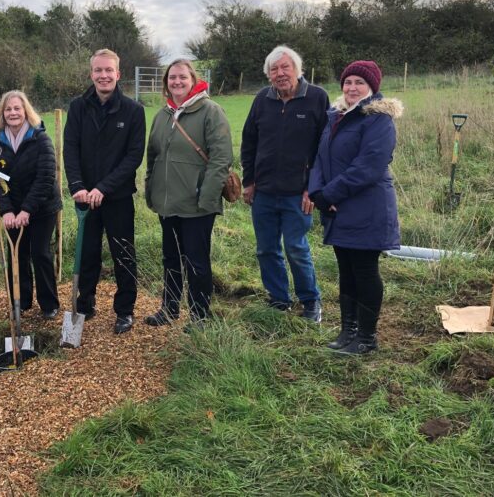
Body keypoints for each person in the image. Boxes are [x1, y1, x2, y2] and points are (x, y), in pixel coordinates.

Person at [309, 60, 402, 355]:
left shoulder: (379, 120)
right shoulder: (337, 116)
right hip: (337, 207)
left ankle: (366, 337)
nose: (352, 88)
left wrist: (331, 194)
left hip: (366, 207)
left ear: (372, 88)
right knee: (345, 270)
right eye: (348, 82)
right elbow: (321, 158)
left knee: (364, 270)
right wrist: (318, 193)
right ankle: (347, 331)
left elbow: (369, 166)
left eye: (359, 83)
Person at [241, 46, 329, 321]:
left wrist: (312, 188)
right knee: (266, 249)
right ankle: (279, 298)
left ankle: (311, 301)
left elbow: (323, 148)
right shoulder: (261, 100)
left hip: (297, 193)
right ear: (268, 75)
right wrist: (249, 181)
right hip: (264, 192)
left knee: (295, 247)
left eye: (284, 67)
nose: (280, 74)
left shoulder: (317, 98)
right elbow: (249, 141)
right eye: (274, 69)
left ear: (297, 70)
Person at [144, 59, 233, 327]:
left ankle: (199, 316)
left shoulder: (210, 111)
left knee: (196, 262)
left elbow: (221, 158)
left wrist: (206, 198)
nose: (177, 82)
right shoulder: (163, 116)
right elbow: (153, 155)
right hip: (168, 203)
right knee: (170, 259)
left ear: (193, 80)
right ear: (166, 83)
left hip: (197, 204)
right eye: (172, 78)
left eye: (182, 77)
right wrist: (151, 188)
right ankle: (169, 309)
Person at [63, 49, 146, 334]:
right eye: (98, 71)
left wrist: (104, 188)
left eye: (109, 70)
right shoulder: (77, 107)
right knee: (87, 255)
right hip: (85, 198)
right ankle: (84, 305)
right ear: (91, 74)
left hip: (117, 197)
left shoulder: (133, 111)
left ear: (118, 74)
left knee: (123, 254)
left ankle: (124, 310)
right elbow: (70, 149)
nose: (103, 75)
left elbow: (133, 156)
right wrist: (78, 186)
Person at [0, 90, 62, 319]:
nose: (12, 113)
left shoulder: (40, 139)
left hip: (42, 207)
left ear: (25, 111)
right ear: (2, 113)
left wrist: (27, 210)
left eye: (17, 108)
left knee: (40, 253)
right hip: (13, 210)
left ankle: (49, 304)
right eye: (8, 109)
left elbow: (46, 177)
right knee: (16, 255)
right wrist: (7, 211)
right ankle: (20, 302)